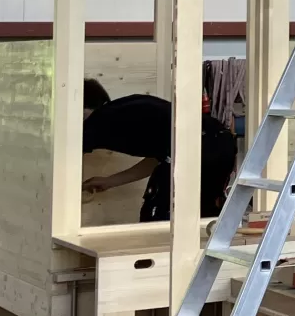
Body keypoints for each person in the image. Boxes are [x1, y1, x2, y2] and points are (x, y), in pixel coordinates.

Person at [81, 79, 238, 223]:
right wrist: (110, 181)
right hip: (221, 142)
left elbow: (66, 148)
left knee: (159, 215)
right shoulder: (129, 111)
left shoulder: (99, 120)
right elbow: (162, 156)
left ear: (84, 109)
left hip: (203, 145)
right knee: (201, 215)